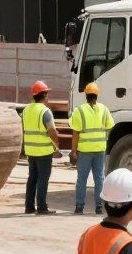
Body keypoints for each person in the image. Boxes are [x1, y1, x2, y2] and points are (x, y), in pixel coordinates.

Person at [70, 83, 115, 215]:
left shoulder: (79, 111)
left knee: (82, 179)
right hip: (100, 149)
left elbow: (75, 133)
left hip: (84, 150)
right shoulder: (104, 109)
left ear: (86, 95)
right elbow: (110, 125)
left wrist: (73, 151)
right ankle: (99, 207)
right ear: (97, 95)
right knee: (99, 178)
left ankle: (79, 207)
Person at [22, 80, 62, 215]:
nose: (48, 96)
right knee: (42, 179)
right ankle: (42, 207)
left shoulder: (26, 110)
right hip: (44, 151)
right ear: (44, 95)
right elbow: (51, 132)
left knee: (32, 178)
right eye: (47, 94)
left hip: (31, 150)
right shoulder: (45, 112)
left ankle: (29, 206)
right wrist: (57, 146)